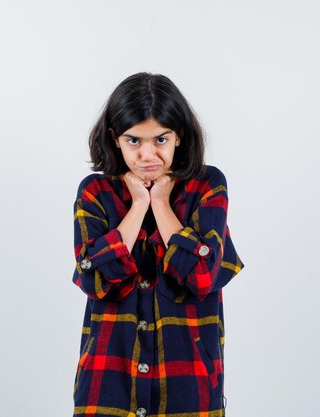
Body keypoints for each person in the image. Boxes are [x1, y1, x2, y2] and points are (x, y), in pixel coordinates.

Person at [71, 72, 245, 417]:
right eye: (133, 141)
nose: (147, 154)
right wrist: (137, 206)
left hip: (188, 378)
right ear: (115, 139)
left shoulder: (207, 185)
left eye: (160, 140)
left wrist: (161, 204)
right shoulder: (95, 192)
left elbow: (203, 278)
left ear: (178, 136)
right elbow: (93, 279)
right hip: (108, 376)